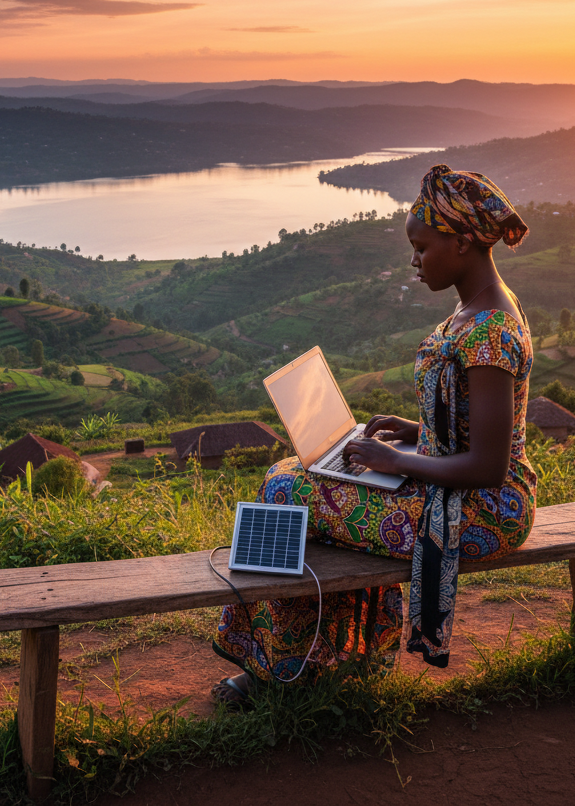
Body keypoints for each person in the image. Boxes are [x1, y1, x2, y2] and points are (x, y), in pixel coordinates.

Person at [211, 164, 536, 707]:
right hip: (455, 485)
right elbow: (467, 424)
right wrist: (414, 432)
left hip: (485, 507)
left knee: (284, 490)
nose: (413, 260)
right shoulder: (474, 310)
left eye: (421, 246)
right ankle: (332, 656)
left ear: (460, 242)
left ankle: (282, 669)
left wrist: (395, 460)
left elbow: (488, 466)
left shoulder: (491, 331)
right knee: (292, 477)